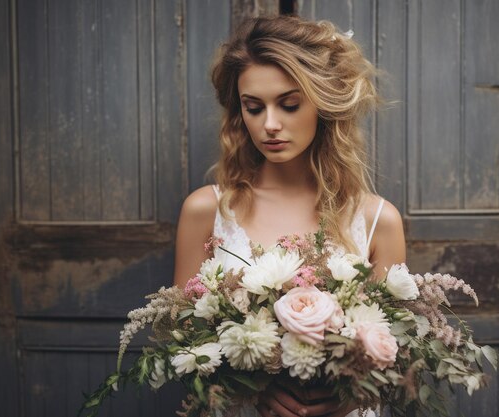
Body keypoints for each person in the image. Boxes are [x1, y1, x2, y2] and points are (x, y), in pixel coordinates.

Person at [173, 15, 406, 417]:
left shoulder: (376, 220)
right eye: (253, 107)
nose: (270, 125)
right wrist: (253, 389)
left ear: (323, 102)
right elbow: (181, 346)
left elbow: (398, 349)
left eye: (289, 104)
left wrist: (346, 396)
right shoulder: (206, 211)